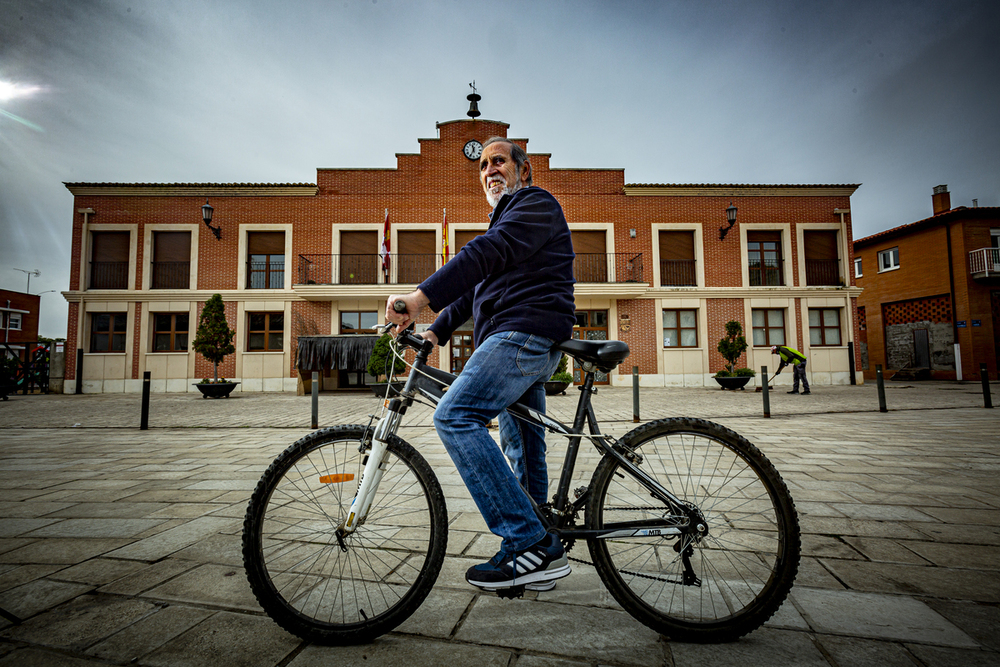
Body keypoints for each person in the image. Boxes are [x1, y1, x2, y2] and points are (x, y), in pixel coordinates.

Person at [386, 136, 576, 591]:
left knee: (455, 415)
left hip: (523, 333)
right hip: (518, 335)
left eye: (499, 161)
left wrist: (417, 298)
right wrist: (435, 329)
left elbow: (483, 255)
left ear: (522, 171)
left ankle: (526, 539)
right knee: (524, 449)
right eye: (484, 166)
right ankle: (539, 558)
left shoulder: (535, 204)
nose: (490, 169)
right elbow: (476, 290)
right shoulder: (507, 223)